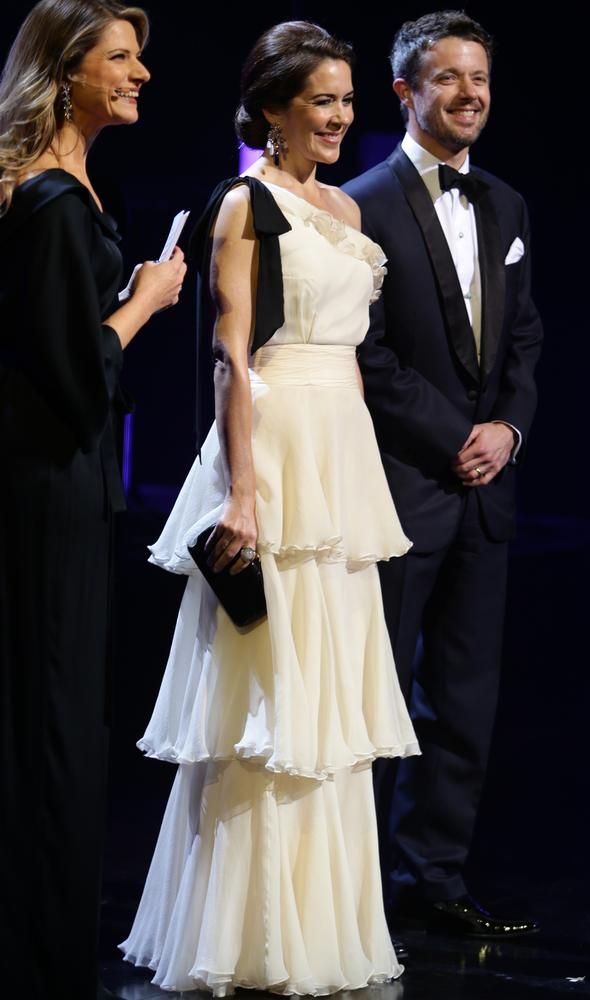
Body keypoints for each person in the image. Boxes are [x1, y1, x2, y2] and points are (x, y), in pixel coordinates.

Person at [119, 20, 418, 995]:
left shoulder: (346, 209)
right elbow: (228, 352)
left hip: (339, 460)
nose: (337, 116)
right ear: (274, 106)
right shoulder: (244, 203)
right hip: (270, 456)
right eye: (320, 99)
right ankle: (242, 935)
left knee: (326, 703)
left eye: (344, 99)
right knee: (265, 702)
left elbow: (351, 355)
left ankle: (320, 932)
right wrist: (242, 492)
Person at [0, 3, 186, 998]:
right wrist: (148, 299)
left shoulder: (55, 194)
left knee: (50, 712)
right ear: (65, 74)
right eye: (119, 57)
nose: (141, 74)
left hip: (46, 486)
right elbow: (78, 375)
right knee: (56, 717)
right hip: (48, 490)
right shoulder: (53, 205)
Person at [344, 10, 543, 937]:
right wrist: (454, 432)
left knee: (464, 695)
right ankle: (349, 890)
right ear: (406, 92)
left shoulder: (506, 205)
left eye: (482, 80)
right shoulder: (363, 203)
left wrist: (505, 426)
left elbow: (526, 337)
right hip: (399, 485)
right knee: (374, 695)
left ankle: (436, 879)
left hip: (486, 490)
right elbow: (366, 352)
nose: (471, 95)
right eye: (450, 78)